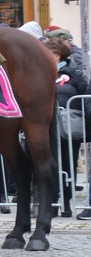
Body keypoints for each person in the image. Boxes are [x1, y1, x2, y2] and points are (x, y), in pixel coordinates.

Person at [45, 37, 88, 217]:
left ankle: (66, 202)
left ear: (58, 55)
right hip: (47, 126)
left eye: (50, 53)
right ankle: (53, 202)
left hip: (69, 126)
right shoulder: (41, 72)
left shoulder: (74, 73)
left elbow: (85, 94)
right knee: (50, 164)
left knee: (68, 164)